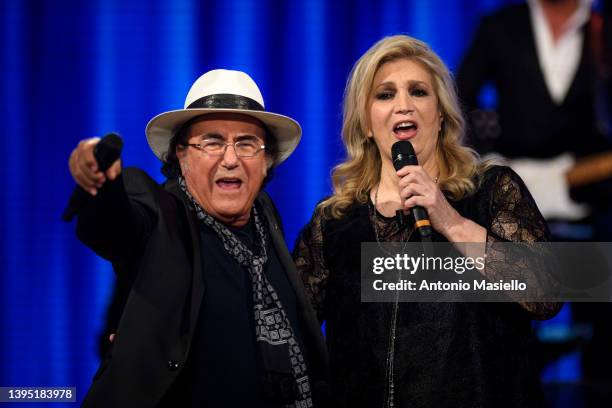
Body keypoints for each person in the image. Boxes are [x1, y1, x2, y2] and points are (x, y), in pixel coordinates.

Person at [293, 35, 562, 408]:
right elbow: (291, 334)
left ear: (441, 116)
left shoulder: (491, 190)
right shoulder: (334, 221)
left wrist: (449, 220)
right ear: (366, 123)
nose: (403, 106)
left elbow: (546, 293)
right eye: (384, 95)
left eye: (418, 92)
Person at [67, 69, 329, 407]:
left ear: (265, 162)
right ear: (182, 154)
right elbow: (113, 226)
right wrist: (100, 181)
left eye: (247, 143)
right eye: (212, 142)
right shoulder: (161, 214)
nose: (231, 159)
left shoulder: (265, 213)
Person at [457, 0, 612, 398]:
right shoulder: (499, 25)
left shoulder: (601, 25)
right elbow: (459, 102)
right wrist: (492, 162)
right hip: (512, 196)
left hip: (591, 199)